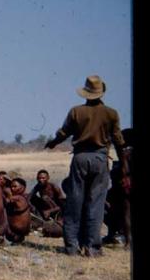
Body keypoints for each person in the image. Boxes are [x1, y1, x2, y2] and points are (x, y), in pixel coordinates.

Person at [45, 75, 128, 256]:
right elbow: (119, 141)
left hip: (80, 159)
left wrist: (53, 143)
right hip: (100, 160)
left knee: (75, 202)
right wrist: (123, 163)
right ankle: (92, 247)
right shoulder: (111, 113)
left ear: (85, 93)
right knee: (95, 204)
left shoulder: (76, 111)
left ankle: (72, 247)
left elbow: (63, 133)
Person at [103, 127, 133, 247]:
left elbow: (123, 171)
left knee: (126, 211)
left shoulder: (125, 154)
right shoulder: (126, 153)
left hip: (125, 187)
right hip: (120, 189)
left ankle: (128, 241)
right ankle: (114, 235)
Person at [3, 177, 31, 244]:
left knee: (2, 211)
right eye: (11, 187)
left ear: (23, 188)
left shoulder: (18, 198)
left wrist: (7, 192)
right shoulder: (24, 197)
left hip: (16, 231)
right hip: (22, 231)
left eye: (15, 186)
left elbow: (6, 201)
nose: (12, 189)